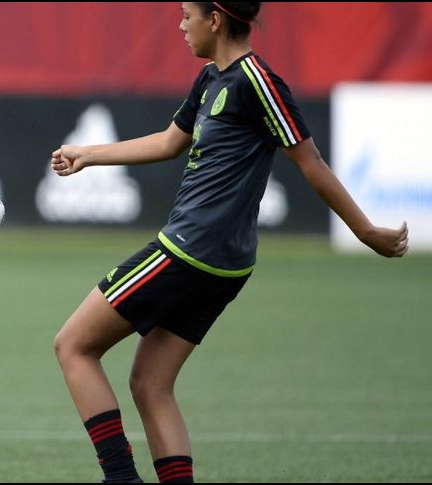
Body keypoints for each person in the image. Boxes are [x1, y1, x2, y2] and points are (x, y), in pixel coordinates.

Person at [51, 2, 409, 483]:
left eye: (187, 15)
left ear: (215, 21)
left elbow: (311, 162)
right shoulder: (209, 79)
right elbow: (168, 142)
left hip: (189, 249)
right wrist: (88, 155)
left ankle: (120, 478)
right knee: (151, 383)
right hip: (223, 265)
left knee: (73, 346)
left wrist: (364, 231)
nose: (181, 25)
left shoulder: (257, 81)